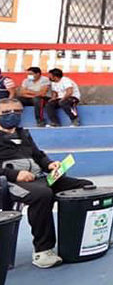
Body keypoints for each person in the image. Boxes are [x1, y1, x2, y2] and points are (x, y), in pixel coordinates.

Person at [0, 98, 92, 268]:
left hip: (39, 178)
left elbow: (38, 156)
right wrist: (14, 174)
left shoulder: (24, 134)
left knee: (84, 186)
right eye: (6, 113)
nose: (12, 115)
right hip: (10, 183)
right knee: (42, 195)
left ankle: (85, 237)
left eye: (16, 111)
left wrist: (50, 164)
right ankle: (43, 250)